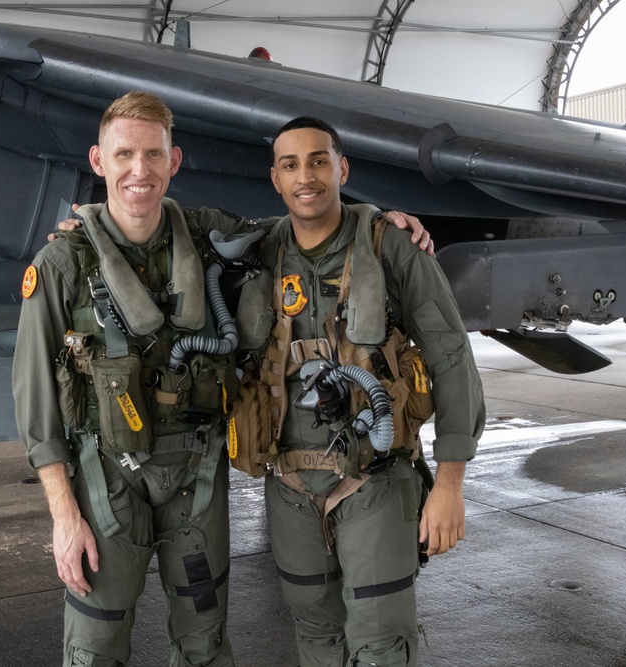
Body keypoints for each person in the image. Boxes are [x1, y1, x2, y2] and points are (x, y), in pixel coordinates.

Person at [13, 91, 250, 666]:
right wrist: (65, 519)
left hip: (197, 479)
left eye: (152, 155)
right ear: (99, 162)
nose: (138, 170)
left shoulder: (211, 238)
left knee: (205, 640)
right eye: (123, 155)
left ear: (175, 160)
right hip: (105, 485)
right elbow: (37, 403)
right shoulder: (63, 264)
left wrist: (379, 220)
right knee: (94, 646)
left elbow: (306, 230)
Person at [249, 116, 486, 666]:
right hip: (288, 488)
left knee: (381, 647)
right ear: (276, 179)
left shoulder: (392, 246)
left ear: (342, 168)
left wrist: (450, 485)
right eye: (290, 165)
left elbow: (453, 360)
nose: (305, 176)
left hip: (376, 483)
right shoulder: (260, 250)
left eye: (318, 160)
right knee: (316, 639)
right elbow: (159, 225)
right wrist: (85, 228)